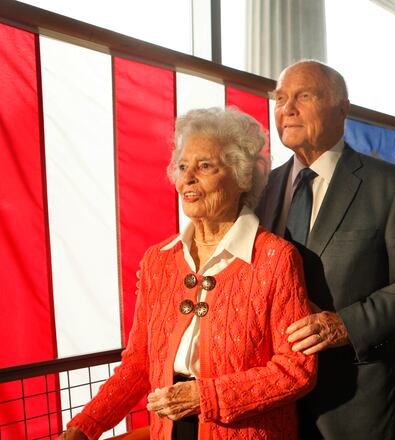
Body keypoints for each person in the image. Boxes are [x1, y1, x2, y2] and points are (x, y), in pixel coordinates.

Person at [60, 107, 317, 440]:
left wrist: (206, 396)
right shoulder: (159, 260)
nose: (187, 179)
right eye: (182, 167)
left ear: (241, 177)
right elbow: (139, 362)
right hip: (171, 430)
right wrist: (84, 427)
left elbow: (296, 370)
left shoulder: (276, 258)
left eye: (205, 166)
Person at [256, 60, 395, 439]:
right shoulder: (260, 191)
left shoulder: (389, 185)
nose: (287, 108)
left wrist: (345, 325)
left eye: (303, 96)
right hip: (275, 405)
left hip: (356, 403)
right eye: (280, 99)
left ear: (342, 108)